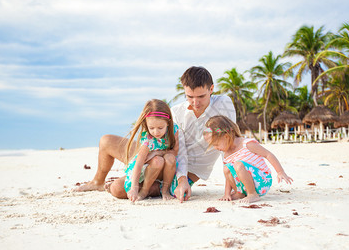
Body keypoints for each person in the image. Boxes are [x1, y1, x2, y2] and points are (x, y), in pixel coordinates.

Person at [75, 66, 236, 202]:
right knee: (106, 140)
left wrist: (232, 182)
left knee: (117, 189)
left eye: (201, 96)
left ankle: (145, 183)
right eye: (190, 97)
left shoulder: (223, 104)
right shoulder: (176, 112)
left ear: (211, 89)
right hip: (155, 153)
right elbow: (165, 141)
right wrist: (149, 155)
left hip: (175, 169)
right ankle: (97, 181)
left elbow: (230, 143)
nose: (195, 103)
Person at [203, 115, 293, 204]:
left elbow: (268, 155)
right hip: (245, 185)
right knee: (227, 168)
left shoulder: (247, 144)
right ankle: (240, 193)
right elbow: (228, 177)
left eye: (216, 144)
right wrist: (227, 194)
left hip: (262, 181)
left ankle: (253, 194)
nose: (215, 148)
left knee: (238, 165)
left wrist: (280, 172)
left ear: (226, 137)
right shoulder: (227, 155)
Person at [106, 99, 179, 202]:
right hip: (148, 169)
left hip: (165, 170)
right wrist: (134, 187)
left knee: (170, 157)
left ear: (168, 122)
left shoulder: (174, 130)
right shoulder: (148, 138)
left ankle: (165, 190)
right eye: (151, 128)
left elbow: (175, 151)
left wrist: (156, 152)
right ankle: (144, 190)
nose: (156, 132)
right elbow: (139, 163)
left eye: (160, 127)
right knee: (158, 161)